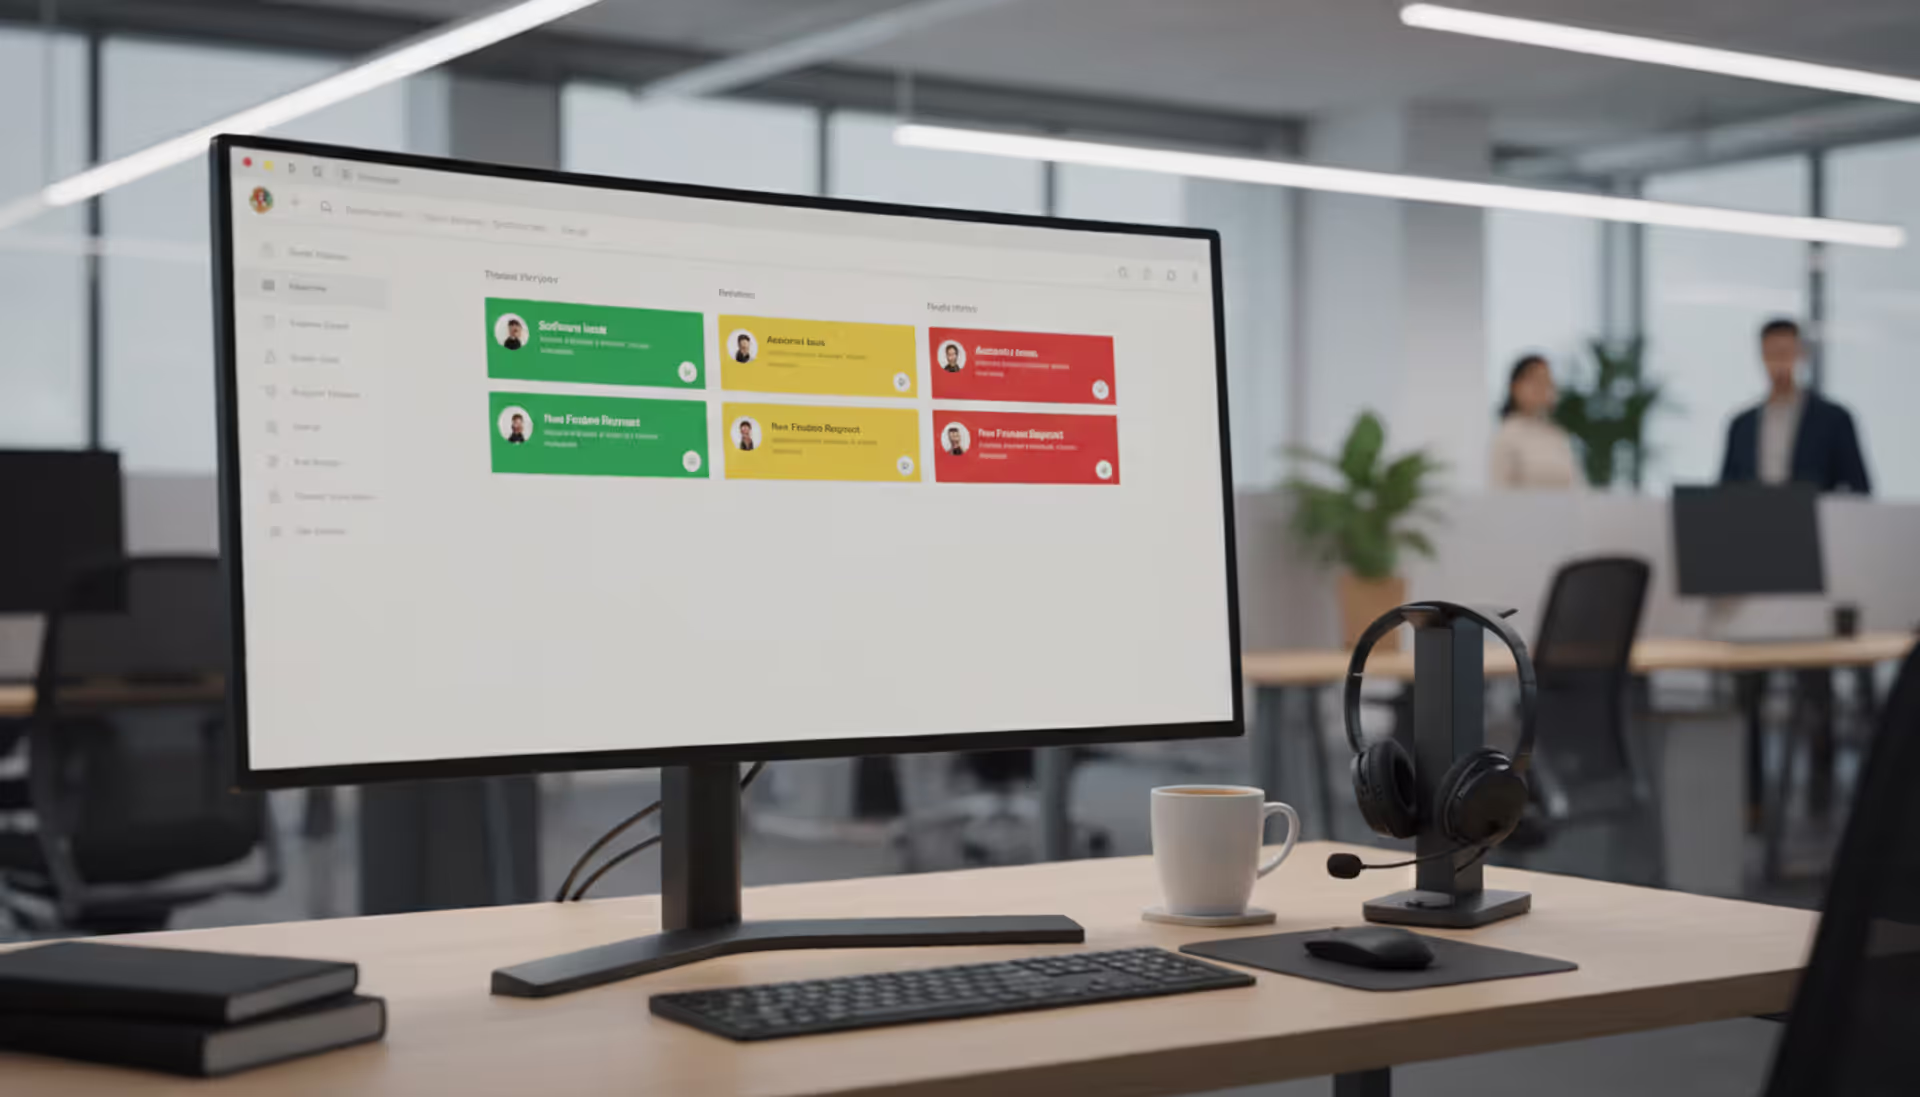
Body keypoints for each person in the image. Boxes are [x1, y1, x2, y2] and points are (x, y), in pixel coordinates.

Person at [1720, 318, 1871, 493]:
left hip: (1815, 517)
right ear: (1762, 355)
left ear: (1801, 354)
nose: (1779, 363)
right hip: (1753, 518)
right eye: (1772, 354)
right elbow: (1726, 489)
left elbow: (1858, 488)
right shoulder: (1741, 425)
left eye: (1785, 353)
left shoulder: (1834, 420)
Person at [1487, 355, 1582, 490]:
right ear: (1515, 387)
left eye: (1547, 381)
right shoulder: (1506, 435)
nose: (1542, 388)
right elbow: (1499, 492)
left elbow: (1577, 487)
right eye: (1535, 380)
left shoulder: (1557, 436)